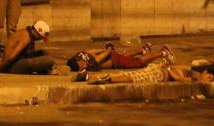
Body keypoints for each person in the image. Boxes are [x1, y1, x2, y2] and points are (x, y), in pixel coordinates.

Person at [68, 43, 175, 81]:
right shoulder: (80, 55)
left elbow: (99, 57)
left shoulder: (89, 64)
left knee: (138, 62)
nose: (83, 66)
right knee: (123, 55)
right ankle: (143, 50)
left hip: (114, 61)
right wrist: (107, 50)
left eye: (81, 65)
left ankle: (163, 52)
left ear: (78, 62)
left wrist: (108, 49)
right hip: (113, 58)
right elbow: (91, 51)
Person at [86, 61, 214, 85]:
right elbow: (187, 67)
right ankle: (91, 76)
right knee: (133, 75)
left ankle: (107, 79)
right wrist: (169, 66)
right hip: (159, 69)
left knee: (134, 77)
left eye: (210, 77)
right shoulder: (194, 74)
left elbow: (177, 78)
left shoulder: (194, 80)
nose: (209, 75)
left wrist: (170, 69)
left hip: (160, 74)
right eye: (210, 75)